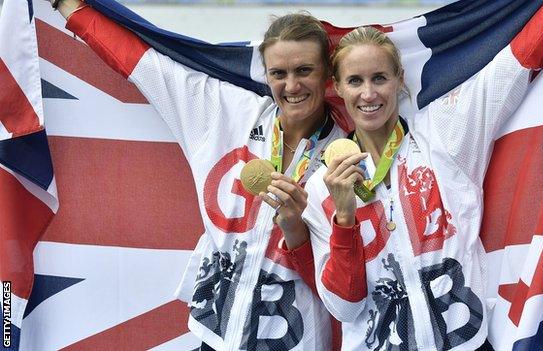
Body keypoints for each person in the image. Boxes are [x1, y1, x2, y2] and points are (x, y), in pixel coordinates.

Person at [51, 0, 346, 349]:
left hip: (295, 341)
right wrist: (68, 6)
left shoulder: (348, 156)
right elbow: (142, 62)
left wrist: (297, 231)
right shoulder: (225, 113)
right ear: (265, 74)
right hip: (215, 333)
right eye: (279, 73)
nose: (292, 85)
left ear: (328, 74)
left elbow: (345, 278)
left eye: (304, 71)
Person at [302, 14, 543, 350]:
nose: (368, 93)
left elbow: (516, 65)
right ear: (338, 86)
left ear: (399, 79)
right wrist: (345, 218)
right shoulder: (321, 187)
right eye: (355, 81)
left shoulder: (443, 138)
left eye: (380, 78)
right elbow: (345, 308)